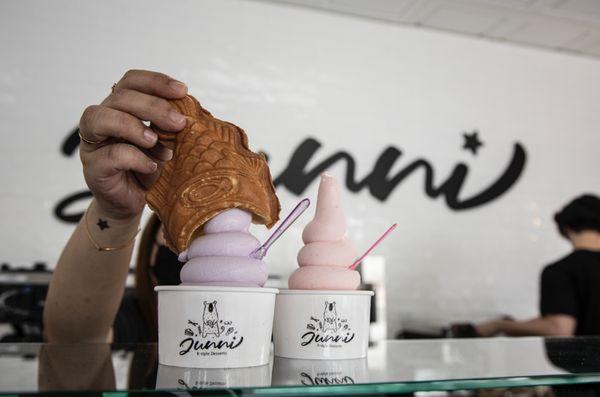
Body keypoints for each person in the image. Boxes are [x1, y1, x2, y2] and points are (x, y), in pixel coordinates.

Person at [43, 70, 188, 343]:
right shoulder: (132, 323)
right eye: (180, 229)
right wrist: (116, 214)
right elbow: (73, 346)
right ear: (151, 249)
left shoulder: (268, 330)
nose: (195, 248)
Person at [476, 194, 600, 337]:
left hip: (587, 359)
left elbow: (559, 328)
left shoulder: (561, 271)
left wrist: (500, 326)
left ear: (567, 229)